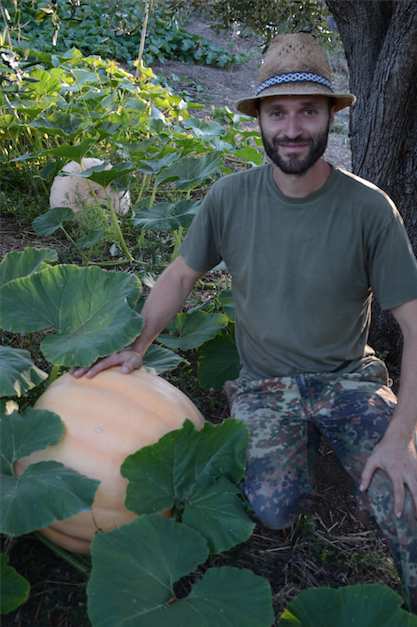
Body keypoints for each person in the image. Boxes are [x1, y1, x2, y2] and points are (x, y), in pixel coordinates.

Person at [74, 33, 417, 611]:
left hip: (348, 381)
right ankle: (299, 448)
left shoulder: (369, 208)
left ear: (330, 116)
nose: (291, 128)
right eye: (277, 113)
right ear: (258, 119)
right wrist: (137, 345)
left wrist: (402, 439)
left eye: (308, 111)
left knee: (405, 498)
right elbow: (181, 275)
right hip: (265, 384)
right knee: (272, 508)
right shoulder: (229, 198)